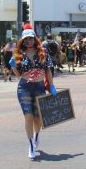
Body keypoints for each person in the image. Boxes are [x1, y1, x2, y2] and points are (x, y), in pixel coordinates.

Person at [9, 24, 57, 160]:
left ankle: (36, 135)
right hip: (24, 87)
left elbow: (48, 70)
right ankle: (31, 145)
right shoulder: (19, 54)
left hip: (40, 87)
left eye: (31, 39)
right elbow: (18, 76)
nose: (28, 41)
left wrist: (52, 86)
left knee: (38, 118)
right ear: (23, 41)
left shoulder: (43, 52)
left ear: (35, 39)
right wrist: (13, 67)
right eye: (26, 39)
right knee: (28, 116)